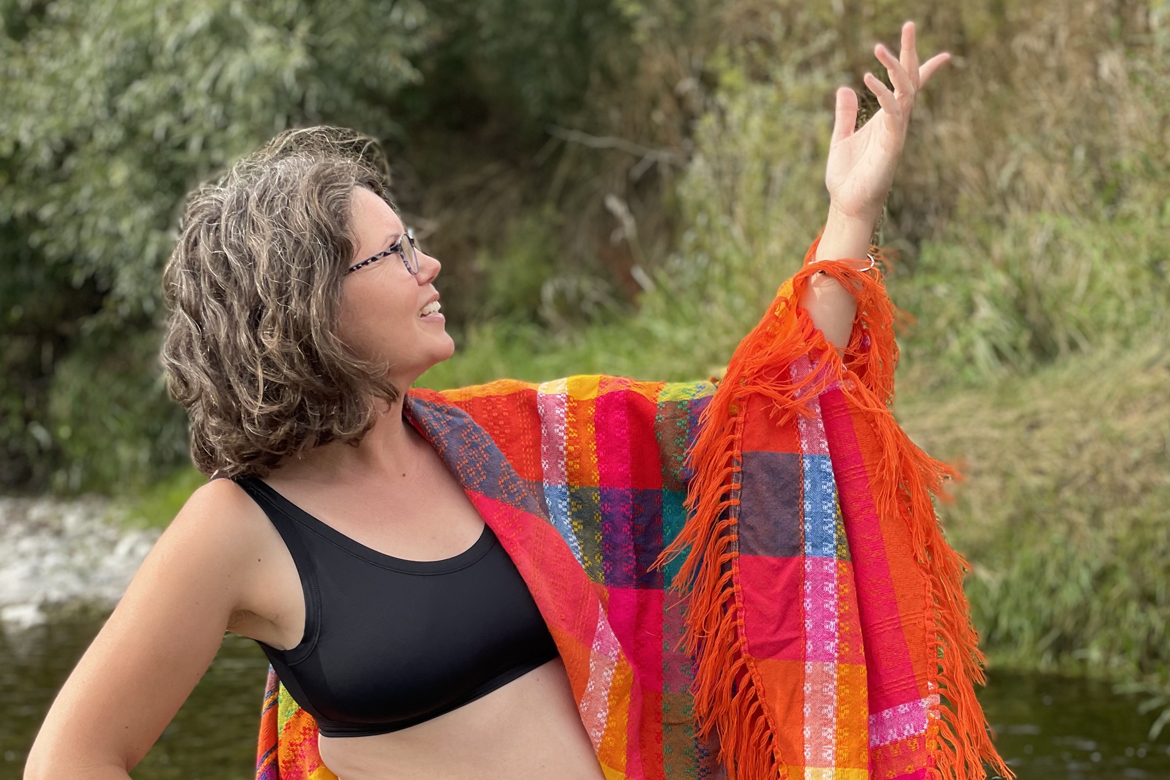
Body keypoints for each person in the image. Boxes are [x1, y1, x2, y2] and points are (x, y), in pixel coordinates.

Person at [26, 22, 995, 780]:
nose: (430, 263)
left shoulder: (497, 444)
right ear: (303, 308)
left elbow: (747, 429)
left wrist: (850, 212)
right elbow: (68, 757)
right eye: (396, 252)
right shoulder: (236, 528)